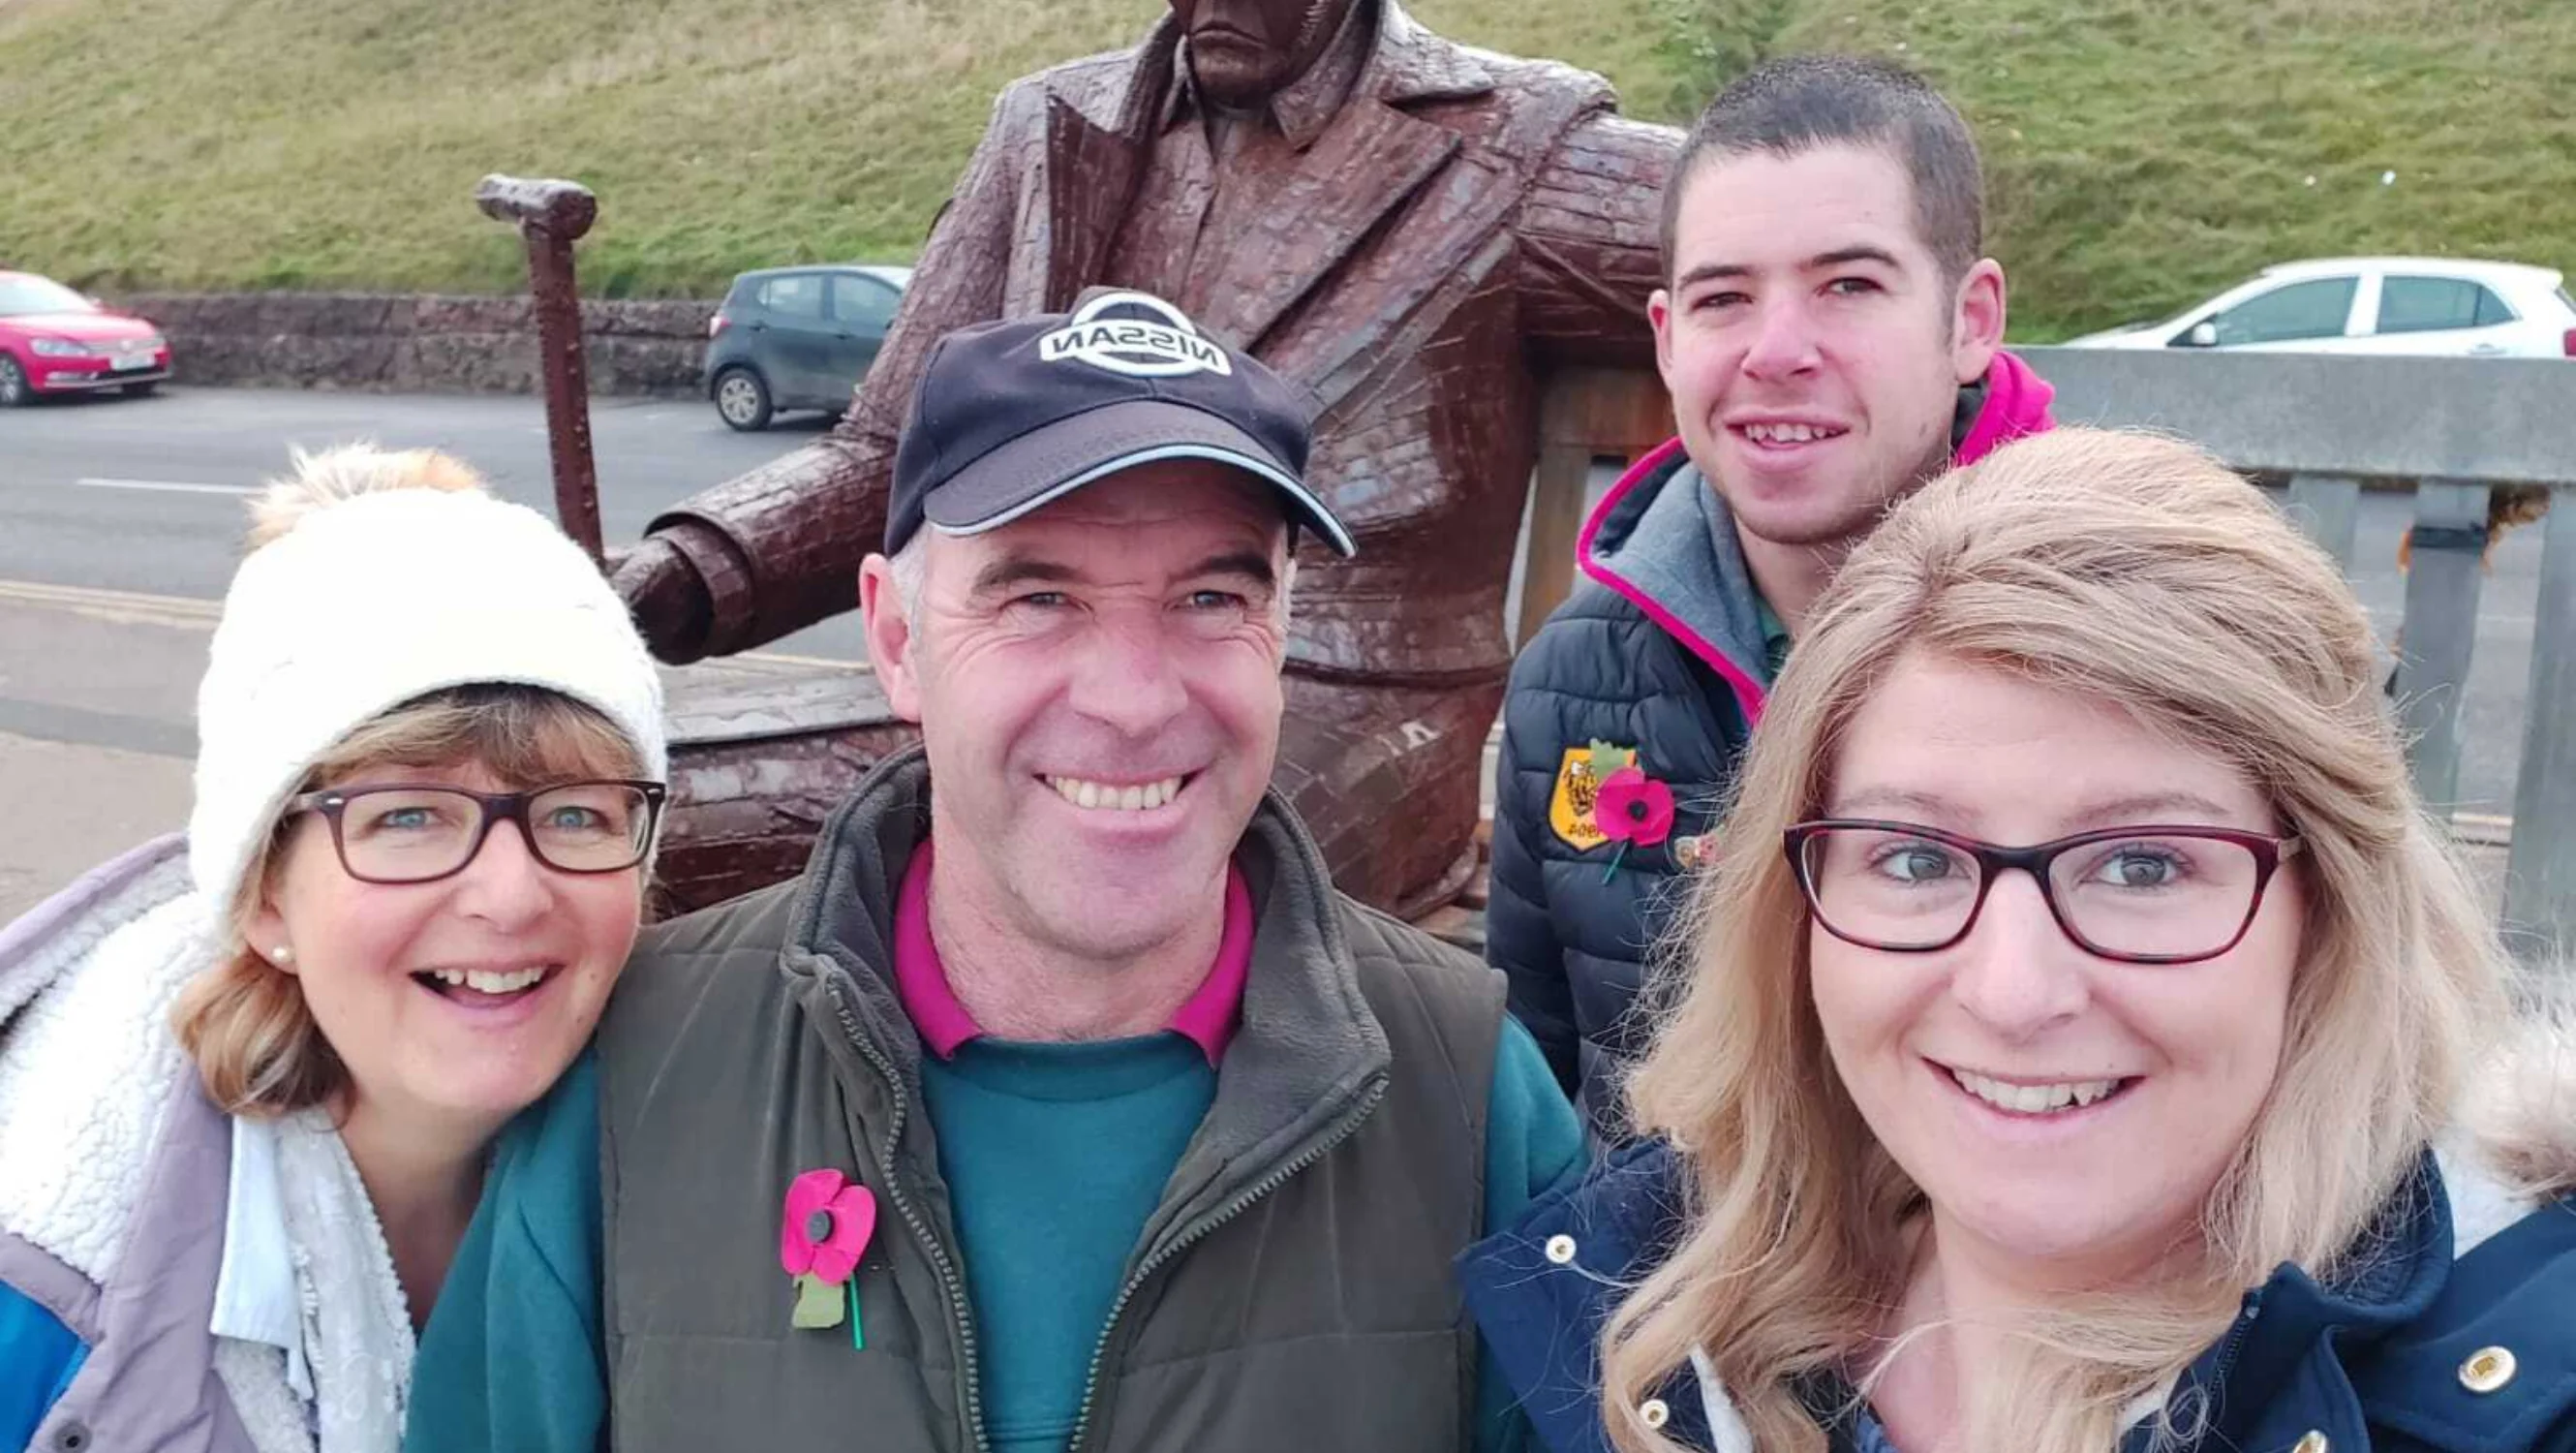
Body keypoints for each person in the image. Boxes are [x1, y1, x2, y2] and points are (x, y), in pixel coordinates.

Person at [411, 290, 1584, 1453]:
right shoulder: (632, 1078)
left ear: (1280, 631)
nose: (1133, 700)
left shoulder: (1474, 1095)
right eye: (1038, 598)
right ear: (896, 640)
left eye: (1210, 598)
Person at [1460, 427, 2576, 1453]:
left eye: (2140, 866)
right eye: (1913, 860)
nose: (2010, 991)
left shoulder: (2526, 1375)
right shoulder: (1643, 1309)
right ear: (1791, 913)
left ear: (2325, 907)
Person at [607, 0, 1683, 917]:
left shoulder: (1515, 143)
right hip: (1026, 656)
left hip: (1343, 704)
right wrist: (693, 570)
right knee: (631, 814)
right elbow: (890, 446)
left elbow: (1768, 231)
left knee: (1141, 877)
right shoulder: (1048, 125)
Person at [0, 447, 666, 1452]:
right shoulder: (42, 1299)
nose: (510, 896)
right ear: (264, 896)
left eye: (576, 814)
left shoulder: (713, 1157)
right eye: (407, 818)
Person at [1487, 54, 2057, 1138]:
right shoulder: (1574, 680)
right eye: (1723, 299)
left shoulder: (2149, 641)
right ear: (1666, 340)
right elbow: (1536, 1093)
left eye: (1848, 286)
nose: (1776, 352)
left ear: (1970, 318)